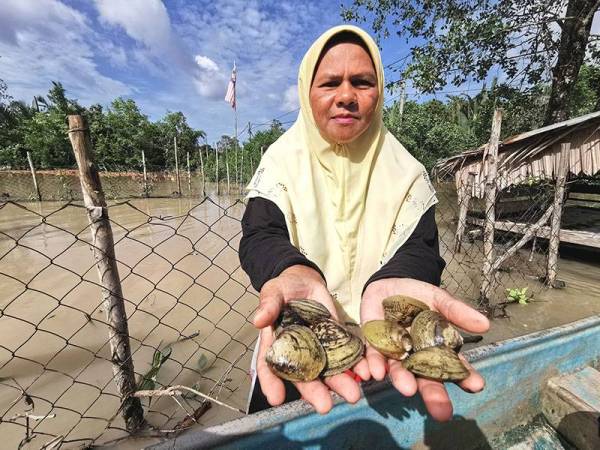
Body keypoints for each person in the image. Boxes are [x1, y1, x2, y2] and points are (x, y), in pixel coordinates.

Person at [238, 24, 489, 422]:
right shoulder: (279, 160)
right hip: (299, 330)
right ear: (307, 90)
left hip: (388, 347)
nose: (346, 97)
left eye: (361, 82)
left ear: (379, 92)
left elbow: (420, 248)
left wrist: (394, 281)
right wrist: (289, 269)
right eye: (329, 83)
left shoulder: (407, 170)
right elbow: (259, 234)